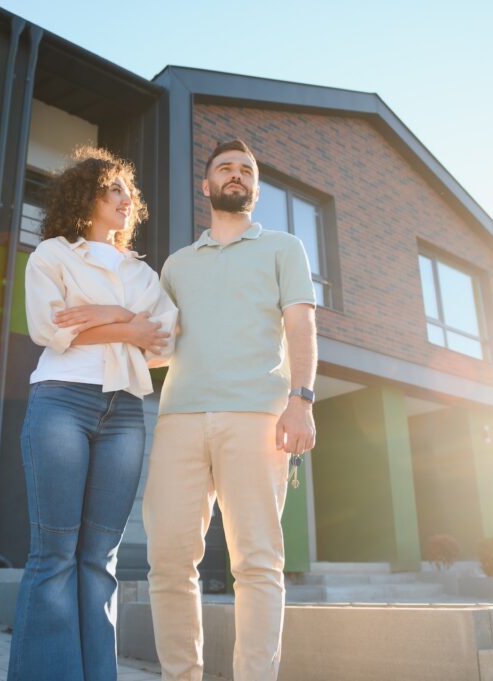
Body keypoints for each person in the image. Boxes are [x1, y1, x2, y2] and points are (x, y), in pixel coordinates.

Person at [143, 139, 318, 681]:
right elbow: (155, 341)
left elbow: (301, 326)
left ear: (256, 187)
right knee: (169, 562)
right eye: (226, 168)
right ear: (207, 185)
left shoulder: (284, 247)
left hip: (256, 416)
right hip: (179, 419)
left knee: (257, 563)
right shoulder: (176, 264)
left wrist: (302, 400)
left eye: (246, 170)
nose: (236, 175)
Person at [7, 146, 177, 681]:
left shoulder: (142, 275)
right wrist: (130, 327)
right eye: (113, 190)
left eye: (128, 191)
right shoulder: (52, 256)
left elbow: (165, 342)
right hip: (62, 401)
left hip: (125, 412)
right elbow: (50, 329)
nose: (126, 199)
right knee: (53, 555)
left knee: (100, 560)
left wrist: (113, 315)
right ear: (86, 197)